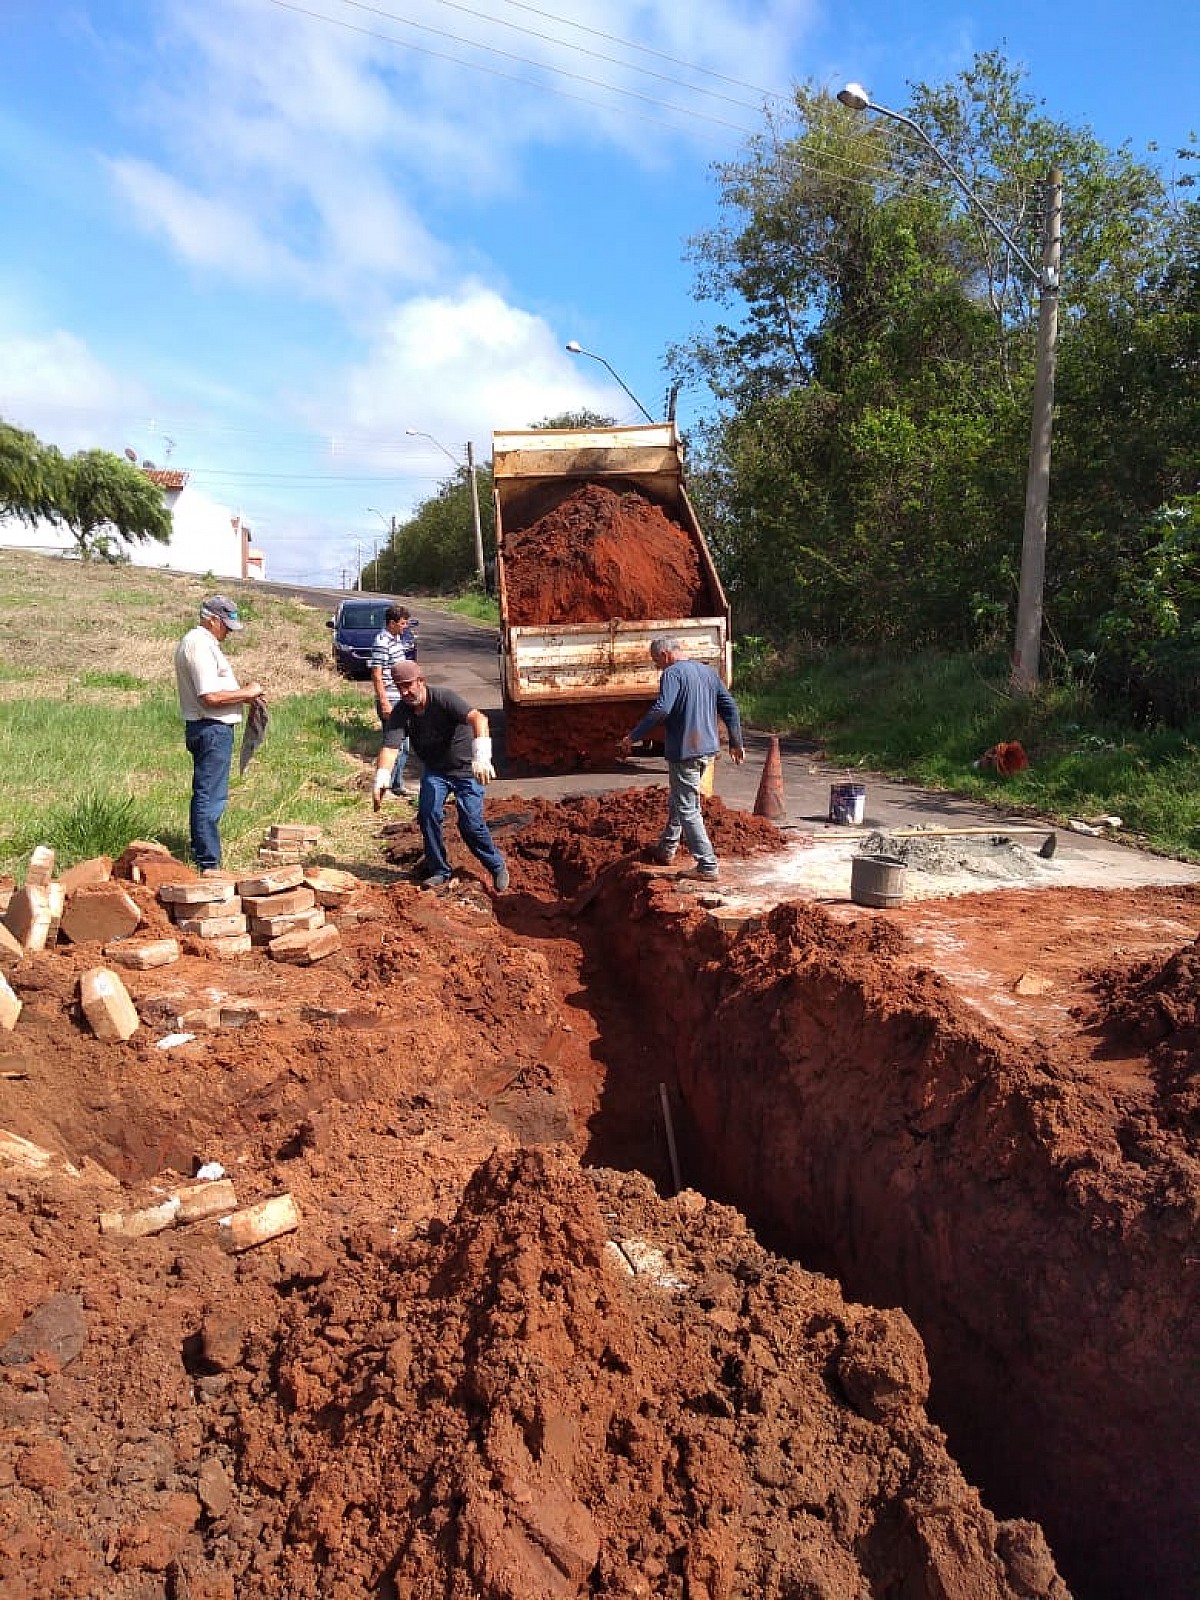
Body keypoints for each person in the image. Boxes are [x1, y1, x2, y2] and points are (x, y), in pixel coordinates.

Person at [373, 660, 510, 893]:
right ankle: (439, 871)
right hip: (436, 771)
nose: (405, 692)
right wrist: (382, 777)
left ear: (421, 681)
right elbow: (390, 748)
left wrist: (482, 757)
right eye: (400, 687)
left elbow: (479, 719)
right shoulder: (402, 712)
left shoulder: (444, 698)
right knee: (427, 815)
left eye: (409, 685)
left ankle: (496, 866)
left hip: (467, 769)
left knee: (471, 823)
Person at [621, 637, 745, 882]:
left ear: (666, 655)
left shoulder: (672, 674)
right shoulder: (707, 672)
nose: (658, 667)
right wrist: (736, 741)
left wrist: (633, 736)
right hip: (707, 749)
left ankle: (707, 865)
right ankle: (667, 848)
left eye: (657, 662)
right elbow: (729, 706)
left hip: (685, 750)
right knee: (680, 797)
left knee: (688, 808)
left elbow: (662, 709)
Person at [174, 595, 264, 872]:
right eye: (225, 626)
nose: (228, 632)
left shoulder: (203, 643)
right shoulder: (199, 645)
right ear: (211, 619)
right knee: (210, 797)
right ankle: (208, 862)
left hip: (211, 727)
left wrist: (245, 697)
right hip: (210, 727)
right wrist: (247, 693)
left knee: (210, 794)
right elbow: (209, 696)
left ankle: (204, 851)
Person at [369, 605, 417, 796]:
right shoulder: (381, 642)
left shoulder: (396, 639)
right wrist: (384, 703)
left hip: (401, 698)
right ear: (392, 623)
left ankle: (397, 784)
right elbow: (376, 675)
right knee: (393, 745)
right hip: (390, 699)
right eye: (402, 623)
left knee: (404, 745)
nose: (405, 627)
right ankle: (385, 786)